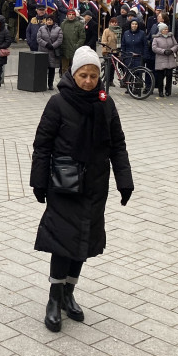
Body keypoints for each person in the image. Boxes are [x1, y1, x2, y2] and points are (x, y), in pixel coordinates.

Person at [30, 46, 133, 332]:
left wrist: (124, 181)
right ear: (73, 74)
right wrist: (39, 180)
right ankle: (53, 298)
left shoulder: (105, 103)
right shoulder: (57, 103)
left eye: (93, 75)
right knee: (63, 241)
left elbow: (117, 145)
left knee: (84, 241)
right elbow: (43, 146)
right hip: (65, 183)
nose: (88, 81)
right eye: (82, 75)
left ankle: (68, 294)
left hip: (96, 184)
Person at [37, 14, 64, 90]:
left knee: (52, 69)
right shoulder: (41, 28)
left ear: (53, 21)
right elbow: (38, 38)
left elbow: (59, 40)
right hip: (43, 51)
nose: (49, 21)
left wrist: (52, 46)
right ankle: (42, 84)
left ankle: (50, 84)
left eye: (50, 20)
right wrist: (46, 44)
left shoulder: (58, 29)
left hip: (52, 52)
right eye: (48, 20)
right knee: (43, 69)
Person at [151, 23, 177, 98]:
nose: (166, 30)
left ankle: (168, 90)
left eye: (167, 29)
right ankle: (160, 91)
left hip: (170, 59)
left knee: (169, 75)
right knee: (160, 76)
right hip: (161, 59)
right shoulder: (156, 38)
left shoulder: (171, 36)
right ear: (161, 30)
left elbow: (176, 45)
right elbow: (154, 48)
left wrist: (172, 50)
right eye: (165, 29)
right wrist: (163, 51)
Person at [59, 7, 86, 75]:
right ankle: (64, 81)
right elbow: (60, 35)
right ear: (67, 15)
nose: (71, 16)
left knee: (74, 68)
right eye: (69, 14)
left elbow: (82, 37)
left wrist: (77, 45)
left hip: (74, 49)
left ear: (75, 15)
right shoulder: (63, 24)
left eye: (72, 14)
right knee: (64, 68)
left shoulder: (79, 24)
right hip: (64, 49)